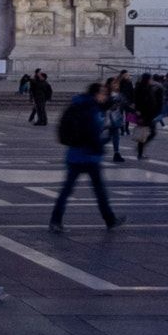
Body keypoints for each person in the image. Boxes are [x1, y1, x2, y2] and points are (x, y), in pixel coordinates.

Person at [50, 81, 121, 232]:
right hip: (89, 156)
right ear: (96, 94)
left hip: (74, 154)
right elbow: (92, 133)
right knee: (99, 190)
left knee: (67, 190)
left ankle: (55, 221)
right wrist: (103, 143)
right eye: (103, 93)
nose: (105, 96)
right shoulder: (91, 110)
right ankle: (110, 220)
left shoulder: (78, 105)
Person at [133, 73, 164, 157]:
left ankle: (140, 151)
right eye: (150, 79)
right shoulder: (140, 88)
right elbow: (137, 101)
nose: (151, 80)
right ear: (146, 79)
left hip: (149, 114)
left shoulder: (149, 87)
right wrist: (138, 113)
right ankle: (140, 152)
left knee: (147, 133)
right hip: (143, 114)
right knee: (146, 133)